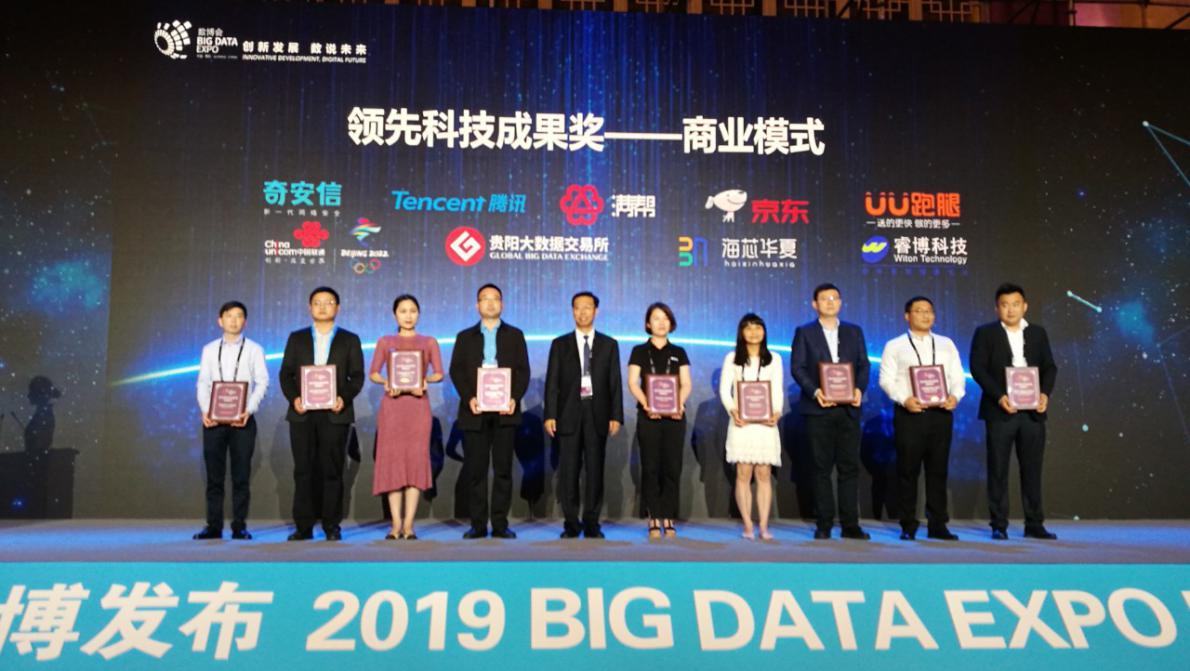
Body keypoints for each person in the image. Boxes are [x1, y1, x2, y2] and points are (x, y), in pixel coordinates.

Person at [969, 283, 1059, 540]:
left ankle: (1034, 524)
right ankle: (999, 524)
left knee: (1032, 469)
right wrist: (999, 396)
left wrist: (1044, 394)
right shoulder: (985, 333)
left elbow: (1050, 367)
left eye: (1015, 304)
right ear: (996, 308)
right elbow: (977, 368)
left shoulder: (1038, 333)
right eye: (1005, 305)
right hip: (1000, 411)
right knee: (998, 469)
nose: (1010, 310)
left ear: (1025, 306)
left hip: (1032, 413)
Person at [279, 287, 365, 542]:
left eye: (328, 302)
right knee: (303, 470)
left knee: (332, 471)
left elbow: (357, 376)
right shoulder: (297, 338)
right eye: (317, 302)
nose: (323, 306)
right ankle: (303, 526)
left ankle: (331, 525)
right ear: (310, 307)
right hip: (302, 414)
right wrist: (294, 399)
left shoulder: (350, 339)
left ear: (337, 307)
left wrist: (343, 398)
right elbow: (286, 374)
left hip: (335, 414)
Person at [878, 296, 966, 541]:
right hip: (910, 414)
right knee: (907, 472)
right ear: (907, 316)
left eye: (929, 311)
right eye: (919, 311)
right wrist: (904, 399)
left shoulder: (946, 343)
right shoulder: (895, 345)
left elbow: (957, 376)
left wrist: (955, 396)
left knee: (938, 472)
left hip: (941, 415)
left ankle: (938, 524)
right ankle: (908, 524)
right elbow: (886, 379)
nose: (925, 315)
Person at [449, 284, 530, 539]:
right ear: (477, 305)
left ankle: (500, 524)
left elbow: (523, 371)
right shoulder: (465, 337)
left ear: (502, 304)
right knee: (477, 470)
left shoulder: (515, 335)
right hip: (474, 411)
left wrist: (514, 398)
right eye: (485, 299)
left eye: (495, 299)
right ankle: (478, 524)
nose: (491, 303)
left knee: (503, 470)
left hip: (506, 411)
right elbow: (456, 371)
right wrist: (470, 398)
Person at [791, 283, 871, 540]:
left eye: (835, 298)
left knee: (849, 468)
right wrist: (816, 391)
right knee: (821, 468)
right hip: (819, 409)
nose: (830, 302)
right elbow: (798, 368)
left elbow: (863, 365)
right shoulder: (804, 332)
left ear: (841, 303)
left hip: (849, 409)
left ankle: (850, 525)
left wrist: (858, 389)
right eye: (825, 299)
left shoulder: (854, 331)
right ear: (815, 304)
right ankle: (823, 523)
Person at [544, 291, 623, 539]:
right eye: (577, 307)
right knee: (568, 471)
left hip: (597, 413)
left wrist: (616, 416)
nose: (582, 312)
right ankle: (570, 523)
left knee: (595, 470)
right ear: (572, 311)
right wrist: (550, 414)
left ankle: (591, 522)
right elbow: (552, 382)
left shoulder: (609, 344)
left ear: (596, 311)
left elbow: (615, 383)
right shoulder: (560, 344)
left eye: (587, 307)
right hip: (568, 413)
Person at [369, 294, 444, 540]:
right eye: (403, 311)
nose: (408, 316)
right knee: (393, 465)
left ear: (418, 314)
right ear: (395, 315)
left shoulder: (429, 342)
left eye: (412, 311)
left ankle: (409, 525)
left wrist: (424, 380)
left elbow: (439, 373)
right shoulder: (385, 341)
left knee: (414, 464)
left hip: (418, 408)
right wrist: (386, 381)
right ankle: (395, 524)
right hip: (392, 408)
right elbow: (373, 373)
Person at [194, 301, 269, 540]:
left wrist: (249, 410)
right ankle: (213, 526)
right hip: (214, 421)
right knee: (214, 477)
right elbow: (203, 382)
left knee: (241, 477)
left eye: (239, 316)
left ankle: (239, 526)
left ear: (245, 321)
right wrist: (206, 410)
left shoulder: (254, 349)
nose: (234, 320)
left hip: (242, 421)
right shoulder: (209, 349)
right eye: (229, 316)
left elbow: (262, 382)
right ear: (220, 320)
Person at [627, 302, 692, 538]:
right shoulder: (638, 351)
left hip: (675, 418)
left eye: (665, 318)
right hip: (649, 417)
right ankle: (654, 517)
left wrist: (679, 404)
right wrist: (647, 404)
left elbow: (686, 383)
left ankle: (669, 516)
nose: (661, 322)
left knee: (672, 468)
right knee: (651, 467)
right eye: (656, 318)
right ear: (648, 324)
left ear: (671, 323)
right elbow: (633, 382)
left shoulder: (679, 352)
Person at [718, 313, 783, 540]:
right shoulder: (732, 358)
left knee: (764, 474)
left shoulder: (774, 358)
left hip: (766, 424)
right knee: (743, 473)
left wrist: (777, 412)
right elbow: (725, 390)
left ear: (764, 332)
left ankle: (763, 525)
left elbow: (777, 390)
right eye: (748, 328)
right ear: (741, 332)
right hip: (741, 423)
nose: (754, 332)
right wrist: (733, 410)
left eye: (758, 328)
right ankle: (747, 525)